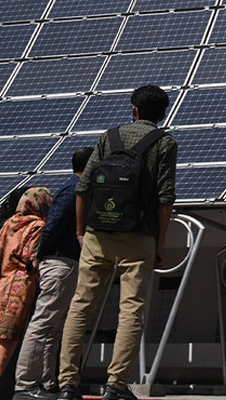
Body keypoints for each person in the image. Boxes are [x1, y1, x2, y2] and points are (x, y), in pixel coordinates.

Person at [57, 85, 177, 400]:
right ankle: (116, 386)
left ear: (133, 110)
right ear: (164, 113)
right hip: (139, 238)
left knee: (80, 307)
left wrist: (82, 232)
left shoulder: (108, 138)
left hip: (98, 234)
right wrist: (160, 244)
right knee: (130, 311)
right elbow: (165, 199)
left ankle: (67, 384)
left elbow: (83, 189)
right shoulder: (165, 143)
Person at [13, 148, 93, 400]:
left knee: (54, 327)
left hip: (65, 263)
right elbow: (54, 225)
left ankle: (47, 382)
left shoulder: (78, 190)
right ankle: (25, 384)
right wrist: (40, 253)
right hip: (59, 263)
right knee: (43, 323)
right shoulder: (73, 191)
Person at [0, 188, 52, 375]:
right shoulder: (38, 226)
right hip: (20, 291)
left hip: (2, 283)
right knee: (8, 343)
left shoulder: (8, 224)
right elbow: (32, 260)